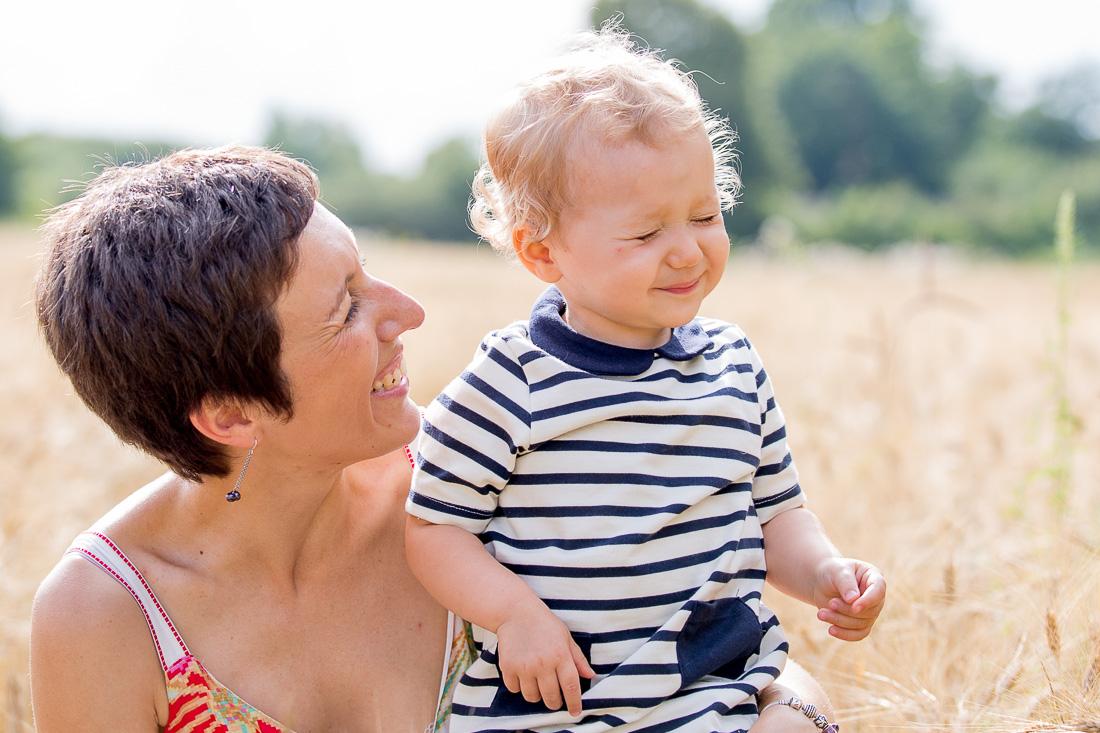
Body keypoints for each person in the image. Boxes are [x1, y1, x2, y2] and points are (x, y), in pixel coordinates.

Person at [28, 145, 834, 732]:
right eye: (347, 307)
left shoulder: (481, 486)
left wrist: (802, 716)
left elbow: (725, 649)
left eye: (367, 270)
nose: (407, 311)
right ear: (232, 413)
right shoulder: (107, 615)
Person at [404, 26, 886, 733]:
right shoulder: (511, 379)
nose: (688, 248)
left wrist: (825, 574)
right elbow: (435, 527)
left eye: (705, 214)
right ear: (542, 252)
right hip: (556, 704)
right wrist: (512, 613)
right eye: (645, 233)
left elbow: (777, 514)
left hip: (712, 693)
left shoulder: (733, 364)